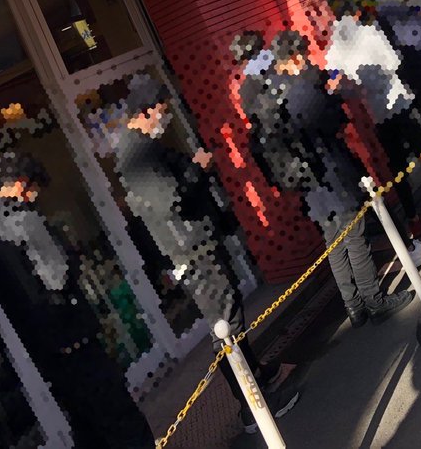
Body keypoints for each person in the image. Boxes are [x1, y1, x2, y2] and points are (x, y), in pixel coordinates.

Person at [110, 74, 298, 435]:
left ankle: (257, 376)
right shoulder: (135, 155)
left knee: (232, 317)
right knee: (225, 327)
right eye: (161, 110)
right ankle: (252, 406)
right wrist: (196, 168)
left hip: (199, 243)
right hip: (192, 252)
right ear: (145, 111)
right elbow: (170, 200)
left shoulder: (144, 148)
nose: (165, 118)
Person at [0, 152, 155, 449]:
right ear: (22, 184)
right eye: (35, 188)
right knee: (120, 418)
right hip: (75, 340)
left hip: (45, 353)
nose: (36, 196)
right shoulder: (22, 222)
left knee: (87, 426)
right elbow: (58, 278)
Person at [244, 29, 416, 329]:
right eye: (303, 54)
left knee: (334, 243)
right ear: (294, 57)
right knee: (355, 236)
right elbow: (334, 122)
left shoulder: (270, 97)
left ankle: (353, 306)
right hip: (331, 174)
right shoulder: (301, 89)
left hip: (308, 186)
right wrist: (333, 94)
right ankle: (374, 301)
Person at [325, 0, 421, 227]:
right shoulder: (371, 33)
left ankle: (413, 219)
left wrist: (360, 86)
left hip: (377, 115)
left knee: (397, 169)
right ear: (356, 15)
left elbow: (337, 87)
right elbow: (395, 62)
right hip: (400, 103)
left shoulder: (334, 51)